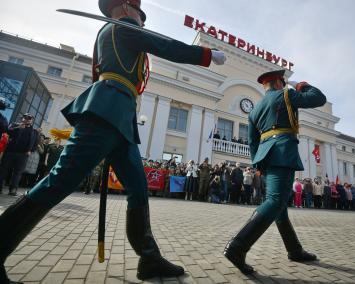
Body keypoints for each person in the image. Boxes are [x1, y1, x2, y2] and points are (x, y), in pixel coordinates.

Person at [0, 0, 226, 282]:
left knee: (138, 187)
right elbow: (166, 47)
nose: (142, 21)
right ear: (126, 8)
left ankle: (149, 259)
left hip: (120, 117)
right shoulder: (123, 27)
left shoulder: (115, 32)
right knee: (59, 182)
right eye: (140, 14)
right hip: (107, 112)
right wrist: (206, 55)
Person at [223, 69, 326, 274]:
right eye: (283, 82)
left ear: (265, 85)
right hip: (282, 151)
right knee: (275, 201)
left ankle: (294, 250)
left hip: (265, 156)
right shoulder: (286, 94)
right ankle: (237, 247)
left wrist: (257, 164)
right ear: (279, 83)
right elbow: (318, 98)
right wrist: (301, 86)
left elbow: (252, 141)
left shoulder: (255, 108)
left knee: (279, 205)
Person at [0, 113, 38, 196]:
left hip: (23, 155)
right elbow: (6, 131)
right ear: (22, 118)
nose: (27, 119)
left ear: (32, 120)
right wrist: (18, 127)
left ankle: (13, 189)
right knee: (3, 170)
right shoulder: (14, 125)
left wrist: (30, 151)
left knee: (18, 172)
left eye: (29, 118)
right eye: (25, 117)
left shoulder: (34, 131)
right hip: (10, 152)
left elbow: (35, 144)